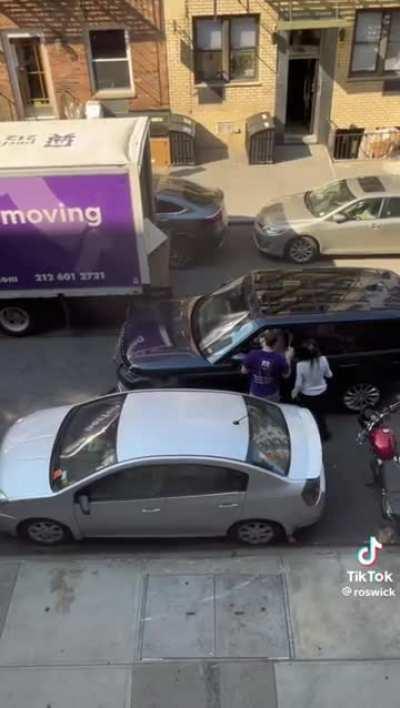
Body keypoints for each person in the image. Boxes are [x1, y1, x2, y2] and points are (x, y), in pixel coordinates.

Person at [291, 339, 333, 441]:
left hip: (308, 395)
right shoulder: (323, 359)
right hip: (322, 392)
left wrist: (294, 393)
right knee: (321, 415)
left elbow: (299, 384)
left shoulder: (300, 365)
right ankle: (324, 434)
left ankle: (313, 435)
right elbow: (329, 375)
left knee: (311, 415)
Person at [241, 330, 291, 401]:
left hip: (255, 393)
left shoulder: (252, 354)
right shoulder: (280, 358)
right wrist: (288, 358)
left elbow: (243, 371)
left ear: (263, 340)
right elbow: (286, 375)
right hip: (272, 393)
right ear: (275, 343)